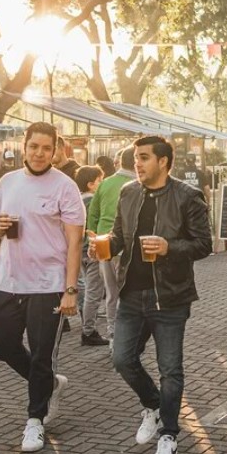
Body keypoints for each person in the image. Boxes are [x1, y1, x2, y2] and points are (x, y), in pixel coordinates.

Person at [95, 135, 212, 454]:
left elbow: (204, 244)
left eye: (144, 157)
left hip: (171, 298)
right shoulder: (128, 192)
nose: (138, 163)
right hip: (130, 294)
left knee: (170, 369)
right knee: (122, 359)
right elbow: (119, 237)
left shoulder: (188, 196)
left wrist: (168, 247)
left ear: (163, 161)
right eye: (136, 157)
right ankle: (154, 404)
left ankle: (169, 436)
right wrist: (104, 245)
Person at [0, 122, 83, 453]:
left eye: (46, 148)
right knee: (2, 343)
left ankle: (35, 420)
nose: (39, 153)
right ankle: (50, 385)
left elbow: (74, 241)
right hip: (7, 280)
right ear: (23, 147)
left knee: (42, 355)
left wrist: (70, 290)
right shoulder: (7, 181)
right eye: (33, 147)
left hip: (48, 284)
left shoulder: (65, 187)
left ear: (56, 151)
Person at [87, 147, 136, 350]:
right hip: (129, 247)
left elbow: (92, 214)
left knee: (111, 292)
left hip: (104, 245)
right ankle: (130, 336)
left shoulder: (105, 183)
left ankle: (113, 335)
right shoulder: (139, 184)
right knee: (131, 294)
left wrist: (93, 238)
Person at [75, 165, 109, 346]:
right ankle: (88, 331)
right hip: (92, 250)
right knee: (94, 292)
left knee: (86, 287)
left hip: (80, 250)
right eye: (99, 181)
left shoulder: (76, 200)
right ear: (90, 184)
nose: (101, 184)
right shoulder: (93, 201)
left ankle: (86, 324)